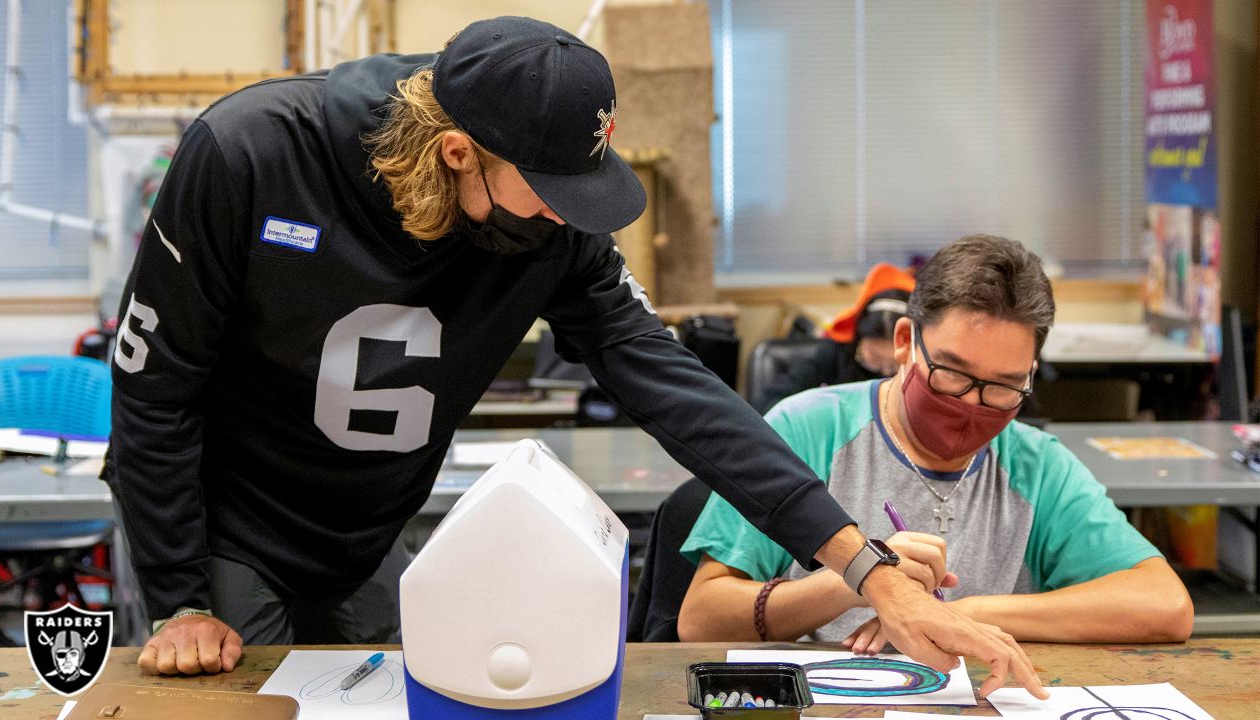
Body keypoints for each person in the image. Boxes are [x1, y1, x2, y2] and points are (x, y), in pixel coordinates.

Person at [107, 17, 1045, 696]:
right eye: (550, 191)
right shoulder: (249, 156)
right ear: (456, 153)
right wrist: (182, 597)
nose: (568, 215)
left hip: (363, 540)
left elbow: (675, 389)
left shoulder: (548, 229)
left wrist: (867, 568)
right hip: (218, 533)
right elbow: (154, 394)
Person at [678, 235, 1194, 647]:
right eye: (952, 373)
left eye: (1004, 386)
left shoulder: (1036, 467)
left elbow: (1165, 605)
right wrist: (859, 579)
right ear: (905, 342)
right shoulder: (809, 430)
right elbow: (701, 621)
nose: (971, 404)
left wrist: (966, 614)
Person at [756, 263, 913, 414]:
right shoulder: (833, 354)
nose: (886, 371)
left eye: (895, 363)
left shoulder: (918, 370)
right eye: (876, 357)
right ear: (859, 338)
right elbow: (771, 404)